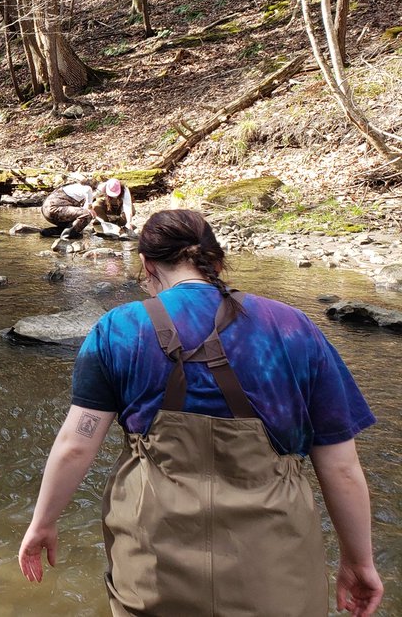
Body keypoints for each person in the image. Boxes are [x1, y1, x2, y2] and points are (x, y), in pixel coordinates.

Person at [19, 209, 382, 617]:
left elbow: (76, 445)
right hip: (275, 565)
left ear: (146, 264)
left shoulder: (118, 328)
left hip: (152, 562)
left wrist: (42, 523)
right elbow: (341, 467)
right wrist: (359, 561)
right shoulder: (294, 327)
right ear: (217, 262)